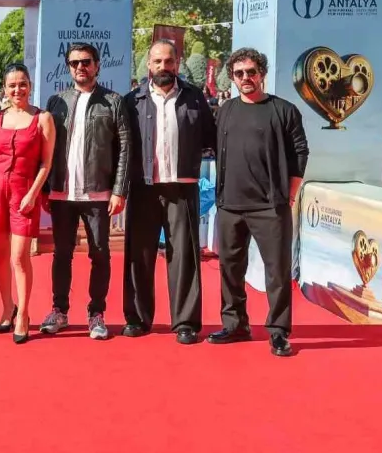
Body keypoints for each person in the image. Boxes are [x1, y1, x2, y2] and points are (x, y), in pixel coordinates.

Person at [209, 48, 308, 357]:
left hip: (270, 206)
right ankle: (235, 324)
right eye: (239, 73)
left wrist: (290, 193)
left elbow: (300, 153)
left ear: (261, 74)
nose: (246, 78)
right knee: (230, 269)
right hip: (230, 204)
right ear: (232, 77)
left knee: (277, 272)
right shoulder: (225, 110)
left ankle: (278, 331)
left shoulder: (284, 110)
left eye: (251, 72)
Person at [121, 40, 215, 344]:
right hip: (143, 187)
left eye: (169, 61)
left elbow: (211, 137)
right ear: (149, 65)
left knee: (184, 256)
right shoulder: (132, 100)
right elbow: (121, 146)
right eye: (158, 61)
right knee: (139, 255)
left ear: (177, 63)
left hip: (182, 187)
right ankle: (137, 319)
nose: (164, 67)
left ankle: (185, 322)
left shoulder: (194, 97)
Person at [41, 42, 131, 340]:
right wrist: (45, 188)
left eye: (86, 62)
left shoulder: (113, 102)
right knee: (61, 254)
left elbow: (125, 149)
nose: (80, 67)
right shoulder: (56, 102)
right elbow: (46, 148)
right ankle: (59, 310)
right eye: (74, 62)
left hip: (98, 193)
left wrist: (119, 190)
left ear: (97, 65)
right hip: (62, 193)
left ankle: (96, 313)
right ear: (68, 67)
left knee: (100, 253)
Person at [0, 63, 55, 341]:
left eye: (22, 84)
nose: (17, 89)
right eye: (12, 85)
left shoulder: (43, 118)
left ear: (30, 86)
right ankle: (7, 307)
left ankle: (23, 312)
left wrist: (33, 193)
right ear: (4, 89)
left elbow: (46, 162)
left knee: (19, 256)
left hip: (25, 191)